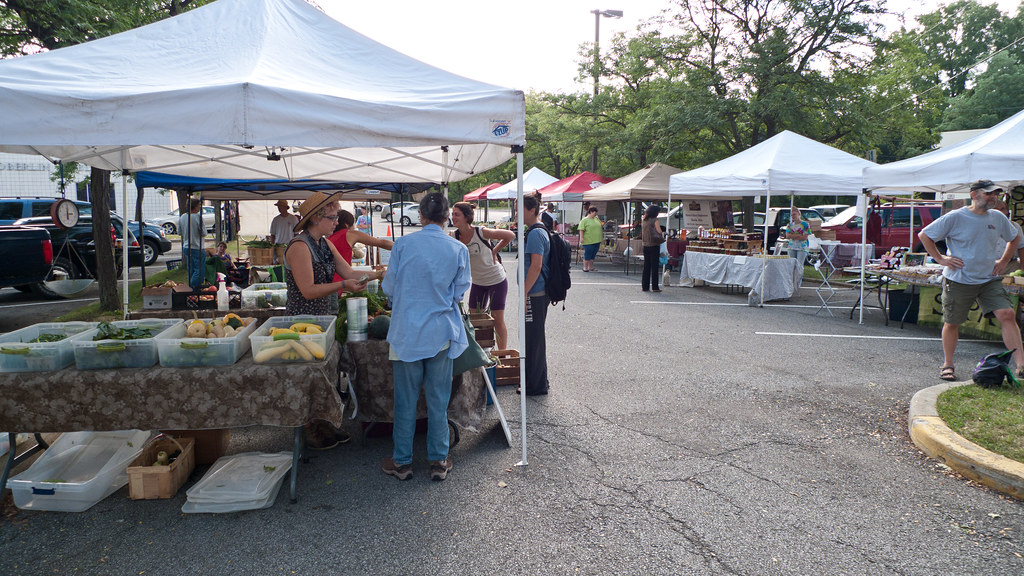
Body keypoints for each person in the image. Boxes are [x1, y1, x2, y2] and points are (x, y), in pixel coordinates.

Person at [381, 192, 470, 481]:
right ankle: (438, 461)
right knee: (438, 399)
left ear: (420, 214)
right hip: (440, 332)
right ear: (447, 217)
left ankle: (402, 462)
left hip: (406, 332)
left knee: (405, 401)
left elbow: (389, 289)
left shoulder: (403, 245)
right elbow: (458, 293)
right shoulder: (458, 249)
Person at [285, 191, 369, 449]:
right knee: (309, 377)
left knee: (327, 375)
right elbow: (308, 290)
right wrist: (343, 285)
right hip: (303, 324)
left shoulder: (325, 243)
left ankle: (326, 424)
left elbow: (350, 271)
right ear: (316, 218)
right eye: (332, 217)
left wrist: (381, 274)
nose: (337, 222)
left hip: (325, 321)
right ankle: (311, 429)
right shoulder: (299, 247)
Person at [919, 179, 1024, 382]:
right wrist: (941, 259)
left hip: (988, 279)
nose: (994, 198)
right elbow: (925, 235)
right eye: (989, 194)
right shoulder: (956, 216)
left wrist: (1003, 260)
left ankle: (1021, 365)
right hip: (959, 280)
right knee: (952, 322)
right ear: (974, 194)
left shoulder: (997, 217)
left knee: (1007, 314)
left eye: (996, 194)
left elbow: (1015, 238)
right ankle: (948, 364)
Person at [451, 201, 515, 350]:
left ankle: (502, 354)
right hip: (478, 282)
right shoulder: (454, 236)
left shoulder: (481, 232)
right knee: (476, 320)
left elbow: (510, 235)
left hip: (496, 280)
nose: (453, 217)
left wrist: (494, 250)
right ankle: (482, 353)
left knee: (497, 319)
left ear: (467, 217)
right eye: (452, 214)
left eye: (456, 214)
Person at [522, 193, 550, 396]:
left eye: (519, 209)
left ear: (531, 210)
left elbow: (536, 265)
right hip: (536, 292)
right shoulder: (537, 231)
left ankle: (536, 384)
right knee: (534, 338)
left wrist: (524, 294)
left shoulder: (535, 233)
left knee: (534, 339)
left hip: (535, 293)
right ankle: (537, 382)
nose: (516, 213)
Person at [178, 197, 205, 290]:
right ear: (195, 207)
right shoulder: (197, 217)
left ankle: (191, 288)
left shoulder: (182, 217)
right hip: (197, 246)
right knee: (199, 270)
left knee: (191, 269)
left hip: (186, 246)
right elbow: (204, 233)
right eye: (199, 205)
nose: (200, 207)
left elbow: (179, 232)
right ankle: (194, 287)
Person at [640, 204, 664, 293]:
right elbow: (659, 231)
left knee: (646, 266)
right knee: (654, 267)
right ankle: (655, 286)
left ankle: (645, 286)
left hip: (645, 244)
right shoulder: (655, 220)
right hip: (654, 244)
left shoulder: (644, 219)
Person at [786, 208, 811, 287]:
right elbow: (788, 236)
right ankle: (791, 282)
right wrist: (798, 235)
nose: (793, 216)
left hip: (802, 247)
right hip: (792, 246)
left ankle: (798, 283)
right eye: (792, 215)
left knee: (799, 265)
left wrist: (794, 236)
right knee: (791, 265)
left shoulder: (805, 224)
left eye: (794, 214)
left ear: (799, 215)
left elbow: (805, 237)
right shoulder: (790, 225)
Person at [269, 199, 298, 263]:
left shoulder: (293, 219)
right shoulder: (276, 219)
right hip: (278, 246)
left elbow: (296, 234)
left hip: (289, 245)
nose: (279, 208)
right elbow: (272, 235)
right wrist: (272, 247)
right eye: (278, 207)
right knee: (279, 263)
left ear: (286, 207)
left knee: (290, 263)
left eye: (280, 206)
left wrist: (295, 245)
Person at [577, 206, 603, 272]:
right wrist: (581, 238)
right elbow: (581, 229)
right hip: (588, 240)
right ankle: (585, 267)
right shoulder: (584, 220)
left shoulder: (596, 219)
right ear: (590, 212)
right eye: (594, 213)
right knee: (588, 253)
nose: (595, 214)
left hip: (597, 240)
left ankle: (590, 267)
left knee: (593, 254)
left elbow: (600, 225)